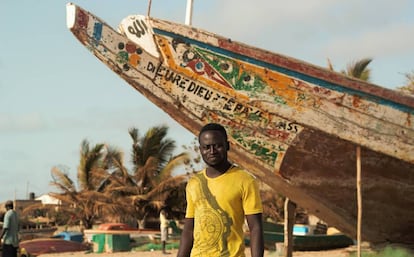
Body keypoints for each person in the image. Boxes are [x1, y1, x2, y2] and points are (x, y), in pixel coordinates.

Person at [177, 123, 264, 257]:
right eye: (206, 147)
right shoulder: (194, 183)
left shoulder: (245, 180)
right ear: (200, 149)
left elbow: (255, 228)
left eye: (217, 145)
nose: (212, 151)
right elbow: (189, 230)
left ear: (227, 146)